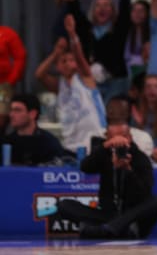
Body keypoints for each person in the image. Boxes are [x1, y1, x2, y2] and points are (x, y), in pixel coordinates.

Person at [57, 116, 157, 239]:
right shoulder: (104, 154)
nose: (119, 142)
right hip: (107, 216)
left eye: (123, 136)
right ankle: (112, 230)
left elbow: (145, 193)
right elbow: (85, 167)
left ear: (130, 137)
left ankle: (106, 229)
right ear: (107, 137)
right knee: (64, 205)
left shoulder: (140, 158)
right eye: (114, 138)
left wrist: (128, 170)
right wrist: (104, 147)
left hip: (133, 219)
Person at [35, 17, 106, 152]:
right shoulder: (59, 85)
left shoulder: (86, 78)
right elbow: (39, 75)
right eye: (64, 61)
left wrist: (72, 34)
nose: (68, 63)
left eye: (71, 60)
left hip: (95, 140)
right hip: (70, 144)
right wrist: (55, 53)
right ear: (58, 66)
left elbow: (79, 56)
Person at [1, 94, 65, 166]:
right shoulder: (5, 142)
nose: (11, 114)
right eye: (11, 110)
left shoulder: (49, 143)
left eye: (17, 110)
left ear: (32, 114)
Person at [0, 25, 26, 134]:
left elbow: (20, 56)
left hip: (3, 85)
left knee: (1, 116)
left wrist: (11, 80)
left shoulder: (7, 33)